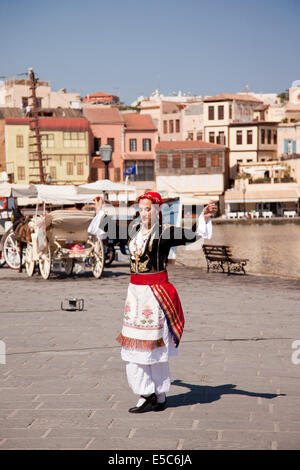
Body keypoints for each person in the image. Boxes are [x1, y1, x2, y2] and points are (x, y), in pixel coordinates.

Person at [97, 192, 216, 413]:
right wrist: (99, 210)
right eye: (141, 209)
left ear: (158, 210)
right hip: (135, 295)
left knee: (154, 347)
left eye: (148, 209)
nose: (144, 213)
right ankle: (154, 394)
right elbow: (113, 231)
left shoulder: (165, 233)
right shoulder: (133, 231)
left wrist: (205, 216)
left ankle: (153, 394)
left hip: (155, 296)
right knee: (135, 346)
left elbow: (192, 235)